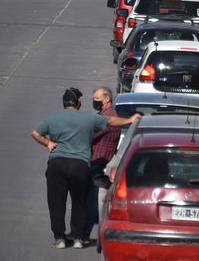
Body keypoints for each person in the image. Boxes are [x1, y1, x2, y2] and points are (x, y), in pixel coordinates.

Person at [31, 87, 138, 250]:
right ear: (78, 102)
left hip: (57, 164)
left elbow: (35, 132)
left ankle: (59, 238)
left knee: (56, 202)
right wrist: (130, 120)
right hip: (80, 165)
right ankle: (78, 238)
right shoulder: (88, 118)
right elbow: (111, 121)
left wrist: (48, 143)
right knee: (79, 202)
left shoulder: (53, 117)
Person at [82, 86, 121, 241]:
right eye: (93, 98)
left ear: (107, 99)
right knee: (89, 199)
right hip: (97, 162)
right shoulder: (106, 115)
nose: (94, 101)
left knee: (91, 200)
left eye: (97, 99)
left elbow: (88, 135)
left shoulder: (107, 118)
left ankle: (84, 234)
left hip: (98, 163)